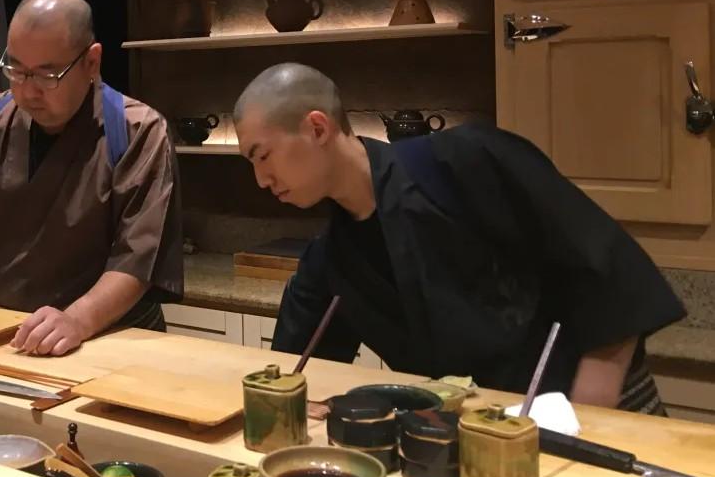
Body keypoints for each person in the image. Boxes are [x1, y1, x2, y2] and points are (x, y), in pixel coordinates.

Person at [233, 62, 685, 413]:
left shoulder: (466, 161)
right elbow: (298, 375)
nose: (260, 180)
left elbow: (608, 273)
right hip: (481, 443)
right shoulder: (332, 256)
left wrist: (590, 424)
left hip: (590, 411)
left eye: (263, 155)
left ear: (317, 128)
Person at [0, 0, 182, 356]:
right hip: (6, 333)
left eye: (47, 74)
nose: (28, 90)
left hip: (111, 336)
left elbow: (138, 257)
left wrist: (79, 319)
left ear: (92, 62)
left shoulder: (137, 132)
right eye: (16, 69)